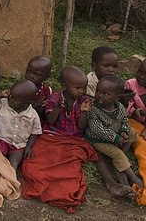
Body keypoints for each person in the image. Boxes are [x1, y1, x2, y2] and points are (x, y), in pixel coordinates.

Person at [21, 66, 97, 213]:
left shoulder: (84, 101)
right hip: (51, 135)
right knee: (35, 162)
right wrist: (57, 108)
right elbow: (50, 120)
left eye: (84, 87)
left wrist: (83, 112)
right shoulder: (55, 98)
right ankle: (42, 181)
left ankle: (62, 191)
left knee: (69, 168)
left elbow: (81, 127)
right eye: (78, 87)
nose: (82, 91)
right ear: (64, 86)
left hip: (72, 139)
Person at [85, 75, 143, 196]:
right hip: (98, 140)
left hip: (116, 134)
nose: (99, 95)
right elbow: (97, 129)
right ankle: (133, 177)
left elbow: (125, 120)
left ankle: (120, 158)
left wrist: (123, 131)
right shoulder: (93, 109)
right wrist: (116, 138)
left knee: (132, 133)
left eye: (105, 94)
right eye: (98, 91)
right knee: (118, 154)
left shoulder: (120, 108)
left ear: (117, 98)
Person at [0, 79, 41, 171]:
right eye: (10, 97)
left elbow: (35, 132)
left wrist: (28, 147)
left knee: (14, 163)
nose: (11, 100)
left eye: (15, 100)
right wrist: (0, 95)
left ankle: (9, 179)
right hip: (2, 140)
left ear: (27, 103)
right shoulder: (4, 104)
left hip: (19, 146)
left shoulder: (33, 115)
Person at [125, 59, 146, 181]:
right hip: (134, 122)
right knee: (141, 143)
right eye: (139, 71)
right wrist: (140, 112)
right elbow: (127, 110)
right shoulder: (130, 85)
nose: (141, 76)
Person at [24, 55, 53, 122]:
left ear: (46, 77)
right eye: (28, 71)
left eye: (36, 74)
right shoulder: (19, 87)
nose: (30, 76)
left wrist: (39, 108)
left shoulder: (48, 92)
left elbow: (47, 115)